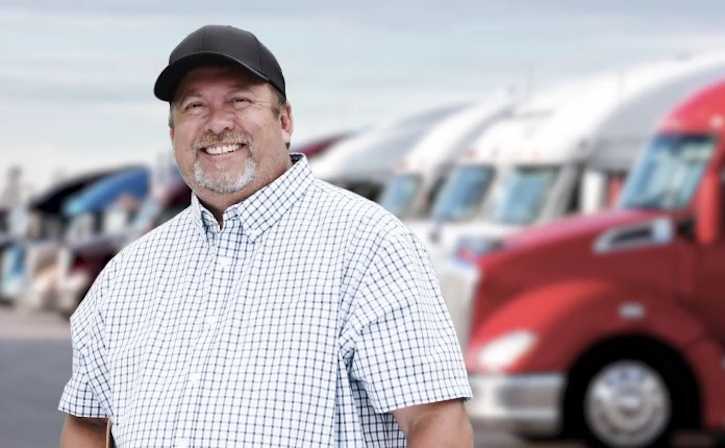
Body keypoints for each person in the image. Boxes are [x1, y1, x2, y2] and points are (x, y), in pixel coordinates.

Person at [58, 24, 473, 448]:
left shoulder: (368, 245)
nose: (217, 123)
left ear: (285, 119)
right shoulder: (129, 273)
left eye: (239, 100)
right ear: (173, 135)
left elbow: (437, 420)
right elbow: (87, 424)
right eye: (194, 106)